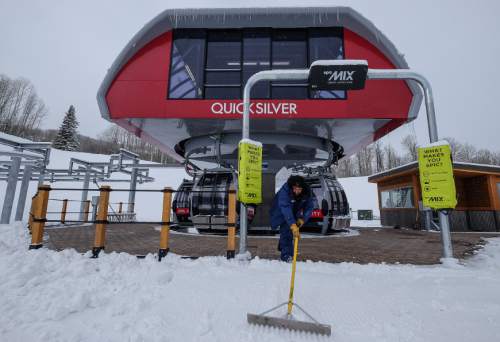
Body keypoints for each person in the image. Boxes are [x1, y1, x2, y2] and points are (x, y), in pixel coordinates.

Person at [270, 175, 314, 262]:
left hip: (294, 212)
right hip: (281, 211)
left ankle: (284, 246)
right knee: (287, 231)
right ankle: (287, 256)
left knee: (287, 233)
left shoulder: (307, 192)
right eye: (295, 189)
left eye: (299, 189)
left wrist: (303, 219)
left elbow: (309, 207)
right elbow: (285, 208)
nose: (297, 191)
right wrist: (292, 224)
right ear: (291, 187)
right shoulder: (285, 191)